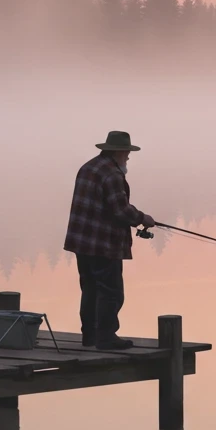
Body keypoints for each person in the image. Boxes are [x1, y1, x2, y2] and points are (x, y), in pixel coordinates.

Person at [64, 131, 156, 350]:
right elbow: (120, 210)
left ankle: (90, 337)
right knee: (111, 291)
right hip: (103, 244)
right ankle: (106, 337)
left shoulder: (88, 167)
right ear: (118, 151)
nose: (128, 158)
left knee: (90, 289)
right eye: (126, 153)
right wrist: (144, 219)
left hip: (82, 242)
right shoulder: (112, 175)